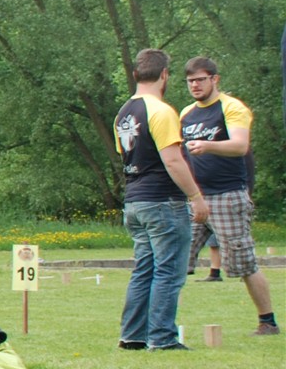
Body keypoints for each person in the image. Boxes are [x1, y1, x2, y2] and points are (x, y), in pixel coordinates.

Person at [113, 49, 211, 350]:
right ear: (165, 75)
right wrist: (195, 196)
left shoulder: (123, 113)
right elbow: (172, 160)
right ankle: (162, 338)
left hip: (134, 201)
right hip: (162, 201)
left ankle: (133, 335)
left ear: (135, 75)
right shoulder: (161, 111)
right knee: (169, 271)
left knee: (144, 270)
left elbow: (127, 156)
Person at [179, 57, 277, 336]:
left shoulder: (232, 107)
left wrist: (208, 146)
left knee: (244, 262)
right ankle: (162, 325)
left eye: (200, 80)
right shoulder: (186, 113)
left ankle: (267, 321)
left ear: (215, 79)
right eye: (190, 81)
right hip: (196, 197)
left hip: (228, 195)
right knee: (175, 260)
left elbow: (240, 145)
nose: (195, 86)